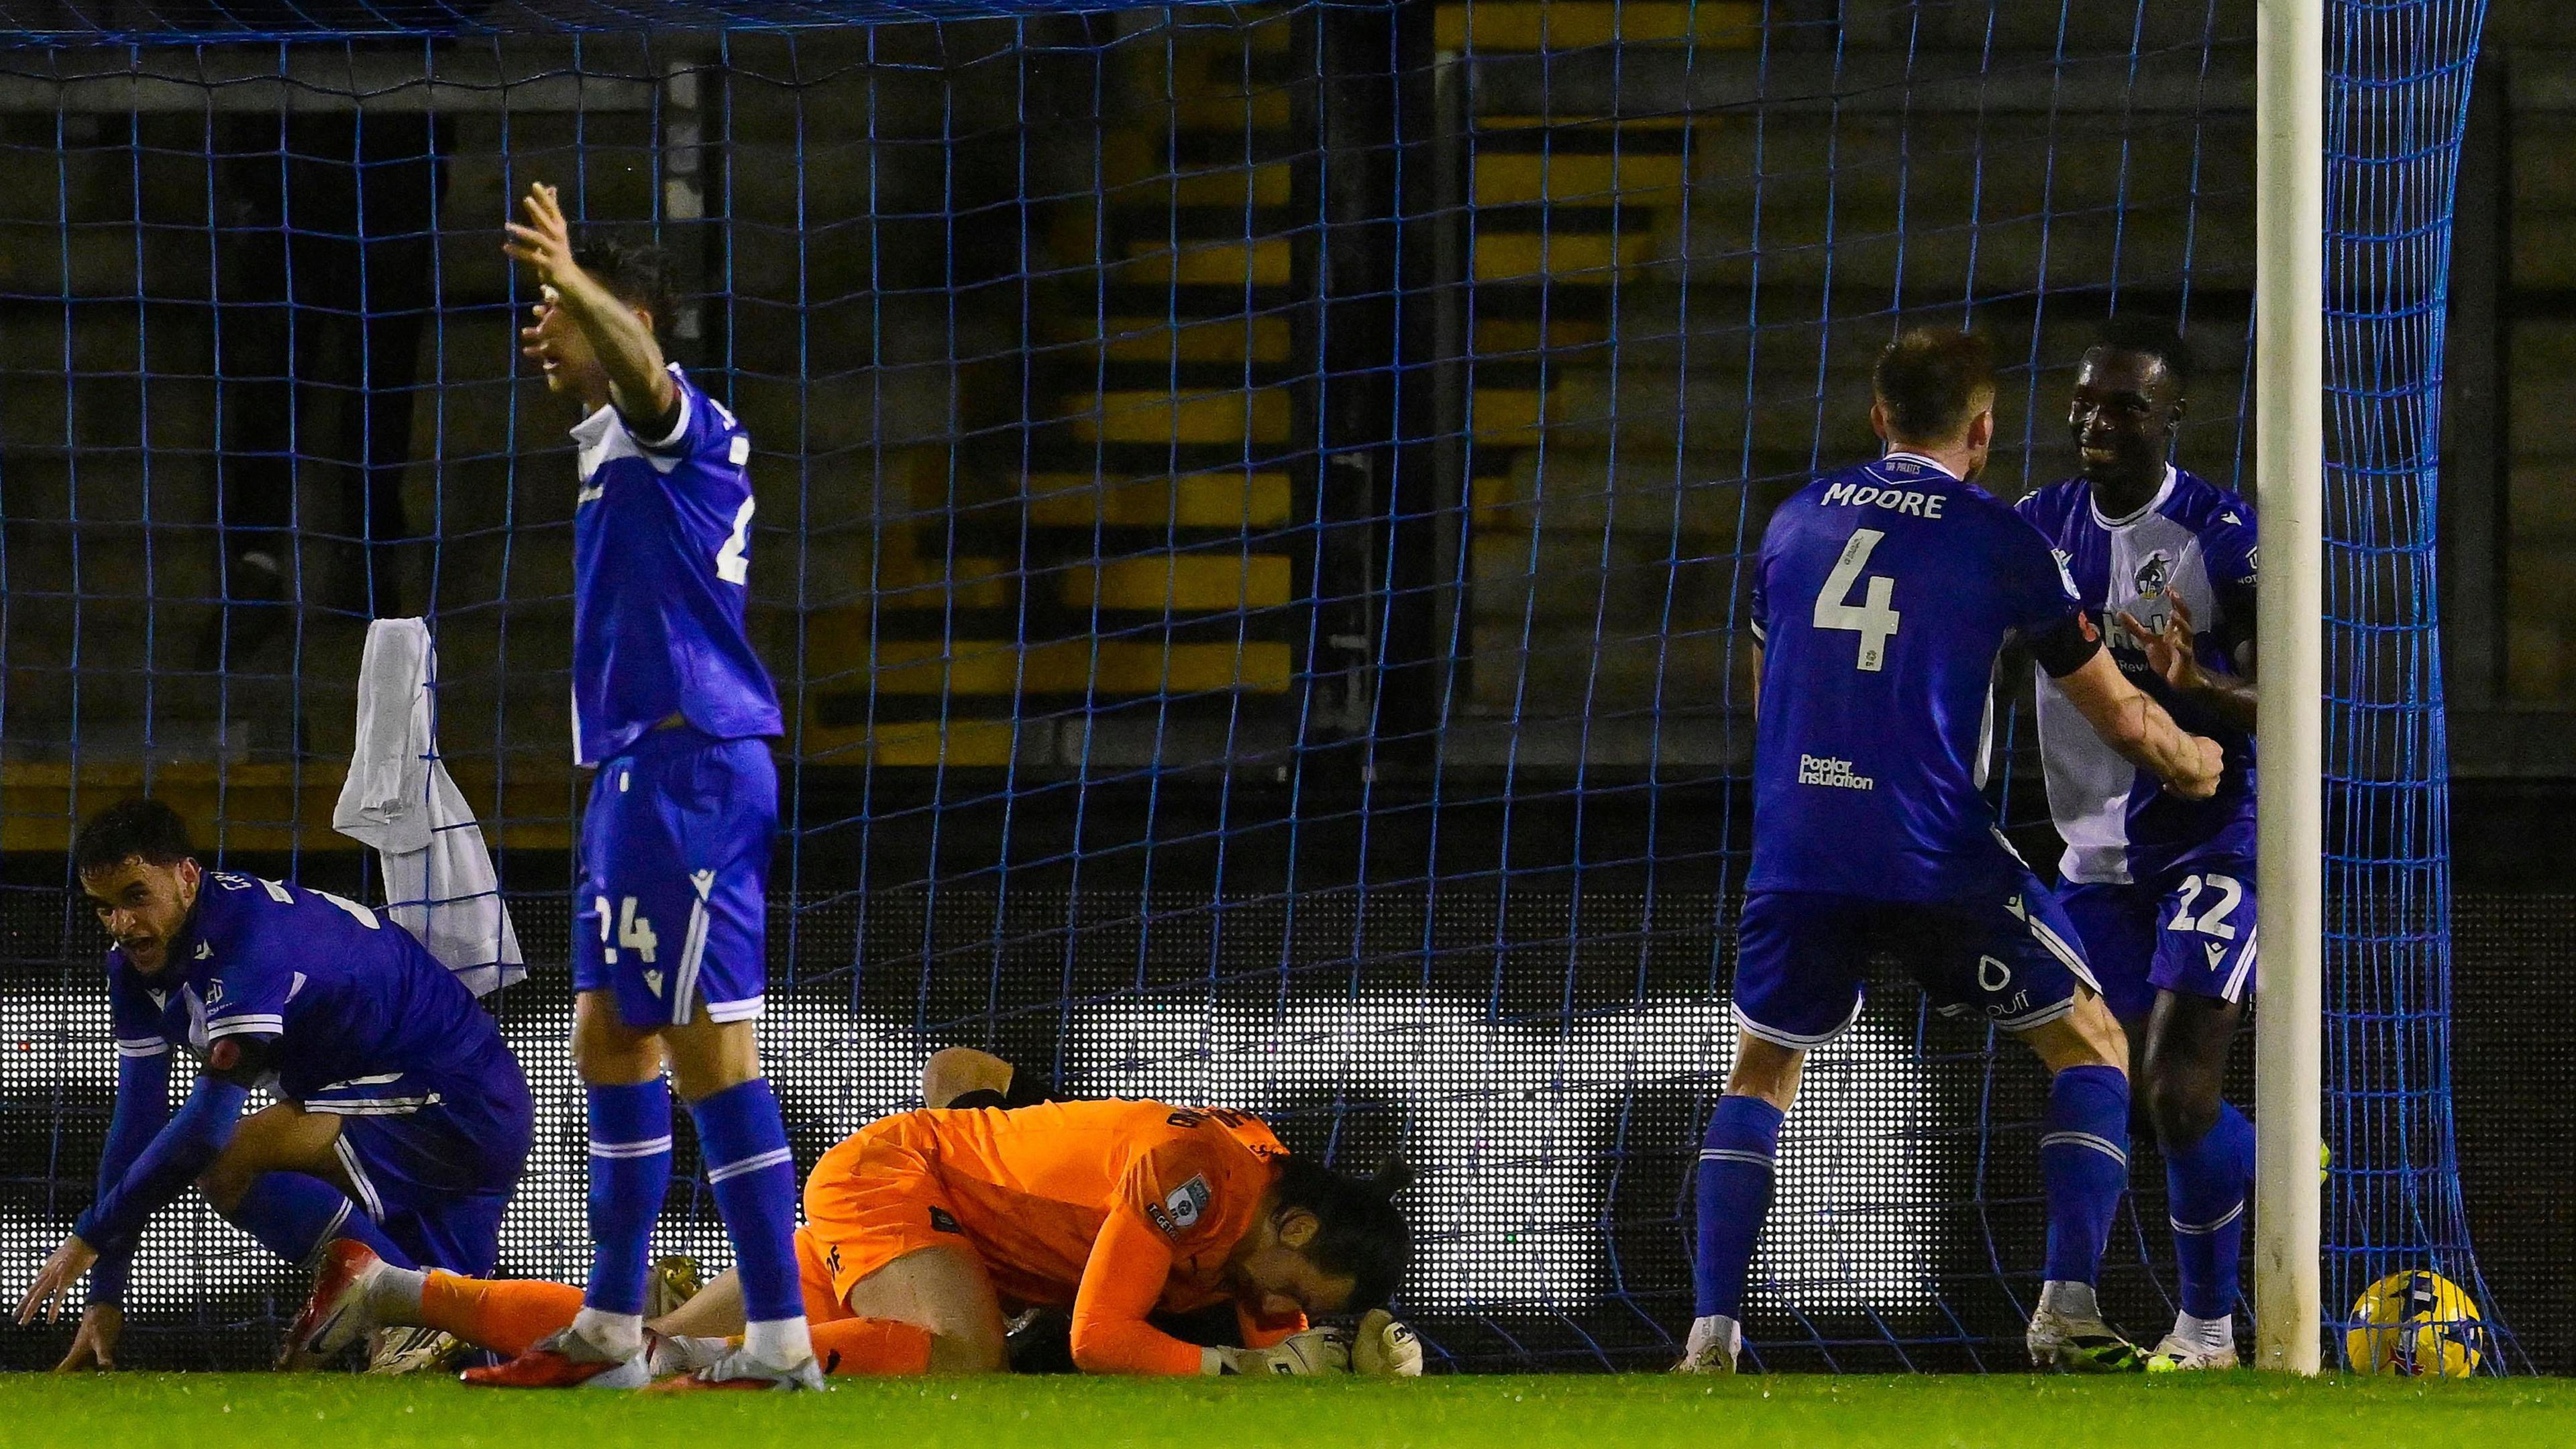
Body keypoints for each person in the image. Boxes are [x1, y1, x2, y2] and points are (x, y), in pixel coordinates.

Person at [1679, 328, 2224, 1376]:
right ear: (1983, 429)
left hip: (1800, 848)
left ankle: (1710, 1338)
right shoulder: (2001, 538)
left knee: (1763, 1070)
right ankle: (2065, 1312)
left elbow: (1763, 695)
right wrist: (2197, 763)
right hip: (1932, 852)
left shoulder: (1794, 520)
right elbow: (2117, 713)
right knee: (2092, 1045)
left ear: (1879, 417)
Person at [474, 182, 810, 1391]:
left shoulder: (676, 426)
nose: (540, 330)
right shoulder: (616, 448)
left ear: (627, 320)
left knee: (710, 1050)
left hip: (692, 769)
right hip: (638, 772)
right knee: (610, 1037)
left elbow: (650, 380)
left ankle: (780, 1341)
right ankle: (613, 1327)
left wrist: (580, 281)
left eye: (556, 312)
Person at [290, 1097, 1421, 1381]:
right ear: (1296, 1222)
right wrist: (1257, 1366)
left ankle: (389, 1287)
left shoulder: (1262, 1199)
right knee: (965, 1360)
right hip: (903, 1187)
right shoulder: (1203, 1180)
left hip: (930, 1218)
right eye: (1301, 1289)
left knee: (636, 1341)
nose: (1283, 1308)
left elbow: (1270, 1342)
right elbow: (1097, 1338)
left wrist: (1351, 1358)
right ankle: (713, 1370)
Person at [13, 798, 533, 1371]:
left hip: (453, 1103)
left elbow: (206, 1132)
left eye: (136, 896)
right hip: (426, 1105)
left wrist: (91, 1234)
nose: (122, 924)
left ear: (187, 877)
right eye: (104, 907)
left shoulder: (244, 939)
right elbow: (137, 1123)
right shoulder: (134, 970)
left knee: (228, 1162)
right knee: (469, 1344)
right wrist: (106, 1295)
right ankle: (456, 1327)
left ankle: (393, 1305)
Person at [2015, 319, 2259, 1371]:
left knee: (2175, 1091)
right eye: (2085, 402)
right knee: (2105, 1081)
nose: (2097, 422)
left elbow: (2295, 696)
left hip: (2212, 840)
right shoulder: (2035, 529)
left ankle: (2205, 1333)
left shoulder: (2223, 534)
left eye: (2125, 405)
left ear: (2173, 417)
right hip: (2091, 861)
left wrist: (2201, 686)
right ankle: (2068, 1311)